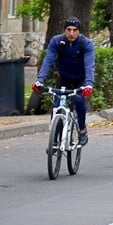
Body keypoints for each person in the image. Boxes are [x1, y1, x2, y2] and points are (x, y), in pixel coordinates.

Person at [34, 17, 95, 146]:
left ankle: (82, 130)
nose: (71, 33)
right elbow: (48, 60)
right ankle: (54, 142)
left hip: (80, 80)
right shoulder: (57, 41)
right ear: (64, 30)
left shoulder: (86, 43)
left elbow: (89, 65)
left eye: (75, 30)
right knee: (56, 106)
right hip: (64, 78)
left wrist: (89, 83)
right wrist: (40, 80)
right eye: (68, 30)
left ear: (79, 31)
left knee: (79, 101)